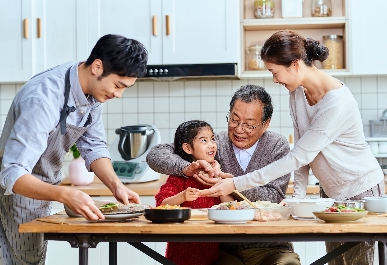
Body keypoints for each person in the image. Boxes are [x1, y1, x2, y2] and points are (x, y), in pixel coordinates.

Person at [201, 30, 385, 265]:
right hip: (330, 192)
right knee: (338, 261)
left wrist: (236, 183)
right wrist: (298, 197)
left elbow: (298, 156)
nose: (275, 80)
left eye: (274, 72)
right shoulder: (298, 92)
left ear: (295, 65)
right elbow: (301, 146)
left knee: (358, 263)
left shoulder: (338, 103)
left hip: (360, 189)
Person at [0, 34, 148, 264]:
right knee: (22, 261)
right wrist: (64, 194)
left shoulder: (93, 94)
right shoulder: (43, 98)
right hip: (19, 188)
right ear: (97, 67)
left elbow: (94, 147)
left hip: (46, 182)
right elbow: (12, 173)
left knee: (33, 258)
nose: (118, 94)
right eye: (117, 85)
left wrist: (117, 186)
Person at [147, 85, 301, 265]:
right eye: (234, 120)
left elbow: (273, 197)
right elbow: (156, 155)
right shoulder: (215, 143)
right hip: (226, 249)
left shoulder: (276, 145)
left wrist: (232, 183)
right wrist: (191, 166)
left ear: (266, 124)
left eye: (249, 124)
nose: (239, 129)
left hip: (271, 246)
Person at [155, 120, 234, 265]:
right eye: (204, 140)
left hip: (213, 255)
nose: (211, 145)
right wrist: (182, 196)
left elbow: (232, 207)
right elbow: (161, 205)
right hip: (181, 255)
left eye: (212, 139)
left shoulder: (216, 174)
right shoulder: (180, 177)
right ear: (187, 148)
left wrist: (220, 184)